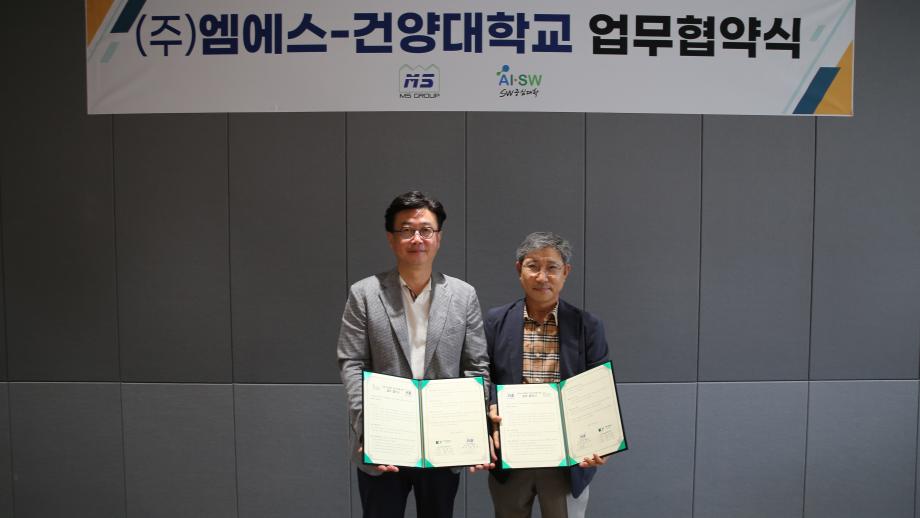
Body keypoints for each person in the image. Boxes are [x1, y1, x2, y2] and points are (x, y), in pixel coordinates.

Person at [337, 191, 492, 518]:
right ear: (391, 238)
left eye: (426, 230)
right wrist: (368, 429)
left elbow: (476, 366)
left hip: (443, 442)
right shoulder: (364, 294)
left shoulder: (463, 295)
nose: (417, 238)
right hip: (384, 442)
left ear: (439, 238)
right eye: (406, 230)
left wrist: (474, 430)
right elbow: (352, 364)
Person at [486, 232, 610, 518]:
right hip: (513, 453)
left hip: (566, 458)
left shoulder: (587, 325)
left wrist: (600, 442)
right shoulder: (496, 321)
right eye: (533, 266)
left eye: (552, 267)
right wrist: (491, 405)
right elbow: (483, 376)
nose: (542, 277)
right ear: (519, 269)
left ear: (566, 272)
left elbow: (599, 389)